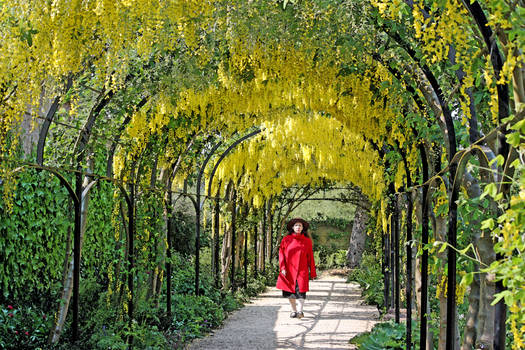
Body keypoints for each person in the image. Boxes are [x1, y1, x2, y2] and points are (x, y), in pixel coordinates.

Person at [276, 218, 317, 319]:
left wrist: (312, 272)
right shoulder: (286, 240)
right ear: (292, 228)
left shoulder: (307, 241)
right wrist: (283, 267)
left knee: (301, 291)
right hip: (289, 270)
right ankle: (293, 310)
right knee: (290, 292)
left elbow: (310, 257)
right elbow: (281, 254)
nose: (298, 227)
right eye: (296, 225)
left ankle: (300, 310)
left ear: (303, 228)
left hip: (302, 270)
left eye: (300, 226)